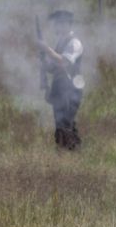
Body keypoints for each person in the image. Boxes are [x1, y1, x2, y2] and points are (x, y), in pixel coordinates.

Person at [36, 10, 85, 150]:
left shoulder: (74, 43)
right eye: (57, 24)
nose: (57, 27)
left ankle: (72, 152)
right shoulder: (60, 41)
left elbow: (64, 62)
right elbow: (54, 67)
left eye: (60, 23)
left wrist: (46, 49)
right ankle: (66, 152)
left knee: (65, 122)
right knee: (60, 122)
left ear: (68, 24)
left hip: (70, 88)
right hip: (59, 86)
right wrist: (45, 66)